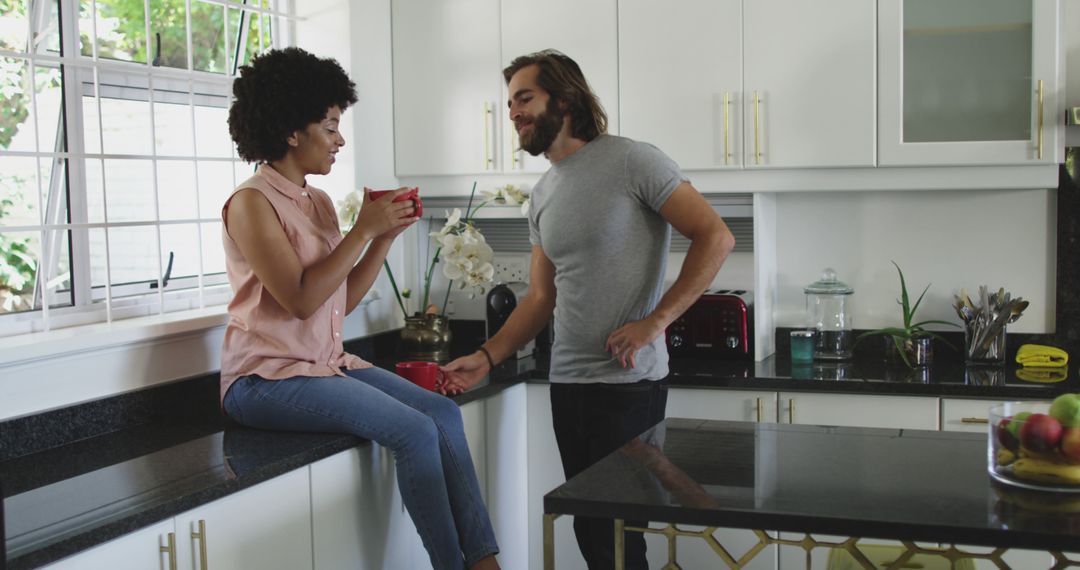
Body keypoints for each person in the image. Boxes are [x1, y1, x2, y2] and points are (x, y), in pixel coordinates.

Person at [441, 49, 736, 569]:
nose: (513, 112)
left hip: (628, 387)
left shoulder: (632, 161)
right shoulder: (544, 194)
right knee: (593, 530)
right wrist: (486, 357)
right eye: (509, 103)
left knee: (619, 536)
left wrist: (654, 322)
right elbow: (539, 298)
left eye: (524, 98)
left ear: (566, 98)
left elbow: (716, 235)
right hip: (570, 383)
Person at [220, 47, 499, 570]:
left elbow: (337, 302)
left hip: (321, 365)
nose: (339, 139)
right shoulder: (251, 203)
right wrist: (364, 229)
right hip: (263, 380)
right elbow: (302, 302)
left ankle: (485, 561)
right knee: (414, 430)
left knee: (438, 412)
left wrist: (382, 238)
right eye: (329, 126)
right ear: (291, 131)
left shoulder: (317, 202)